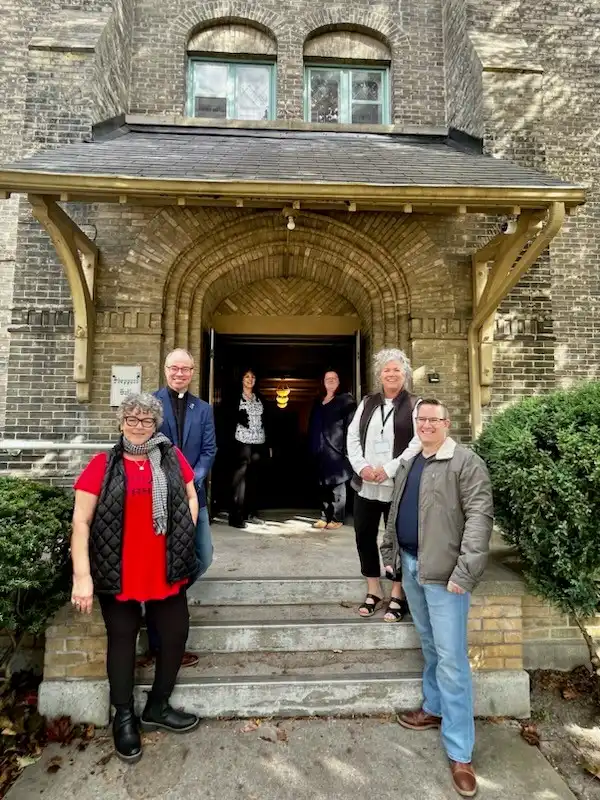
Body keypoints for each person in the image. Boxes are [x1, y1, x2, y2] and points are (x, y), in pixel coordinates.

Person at [71, 393, 201, 764]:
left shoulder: (172, 459)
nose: (139, 426)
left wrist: (184, 532)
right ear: (121, 422)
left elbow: (192, 497)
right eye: (132, 419)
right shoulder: (103, 464)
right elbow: (81, 521)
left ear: (156, 425)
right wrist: (82, 576)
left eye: (146, 420)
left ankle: (158, 706)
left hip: (166, 567)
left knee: (175, 633)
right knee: (123, 640)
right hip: (119, 570)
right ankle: (124, 716)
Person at [381, 399, 493, 798]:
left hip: (446, 577)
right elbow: (394, 512)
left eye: (434, 419)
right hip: (412, 567)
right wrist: (390, 553)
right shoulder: (412, 461)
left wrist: (466, 571)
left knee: (452, 659)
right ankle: (434, 708)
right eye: (421, 419)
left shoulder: (465, 461)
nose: (427, 424)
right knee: (430, 647)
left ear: (447, 423)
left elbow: (480, 517)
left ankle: (461, 752)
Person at [152, 347, 217, 667]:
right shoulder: (150, 403)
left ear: (193, 372)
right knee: (161, 559)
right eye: (174, 368)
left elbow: (209, 450)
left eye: (186, 369)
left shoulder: (203, 408)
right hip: (158, 498)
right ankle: (158, 621)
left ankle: (162, 592)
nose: (180, 374)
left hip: (194, 497)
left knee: (203, 555)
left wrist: (192, 479)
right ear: (165, 370)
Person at [346, 348, 420, 621]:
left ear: (405, 374)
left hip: (396, 485)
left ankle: (398, 592)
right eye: (386, 370)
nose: (391, 374)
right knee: (364, 535)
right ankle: (374, 589)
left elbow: (417, 443)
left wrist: (388, 469)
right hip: (366, 484)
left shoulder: (415, 404)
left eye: (396, 370)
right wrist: (362, 467)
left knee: (397, 540)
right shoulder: (367, 402)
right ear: (380, 374)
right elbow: (352, 436)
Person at [308, 371, 356, 529]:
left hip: (337, 449)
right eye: (328, 379)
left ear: (339, 381)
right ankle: (324, 515)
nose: (331, 381)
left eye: (334, 378)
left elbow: (352, 426)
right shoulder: (319, 401)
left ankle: (337, 518)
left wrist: (348, 448)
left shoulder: (345, 400)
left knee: (337, 485)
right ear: (323, 382)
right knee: (323, 485)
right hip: (320, 449)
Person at [224, 369, 271, 529]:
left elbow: (267, 420)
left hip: (258, 442)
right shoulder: (235, 397)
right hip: (241, 442)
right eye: (247, 377)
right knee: (239, 480)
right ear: (241, 380)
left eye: (253, 376)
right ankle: (236, 516)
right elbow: (227, 417)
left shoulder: (260, 398)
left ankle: (251, 513)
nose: (250, 379)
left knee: (254, 479)